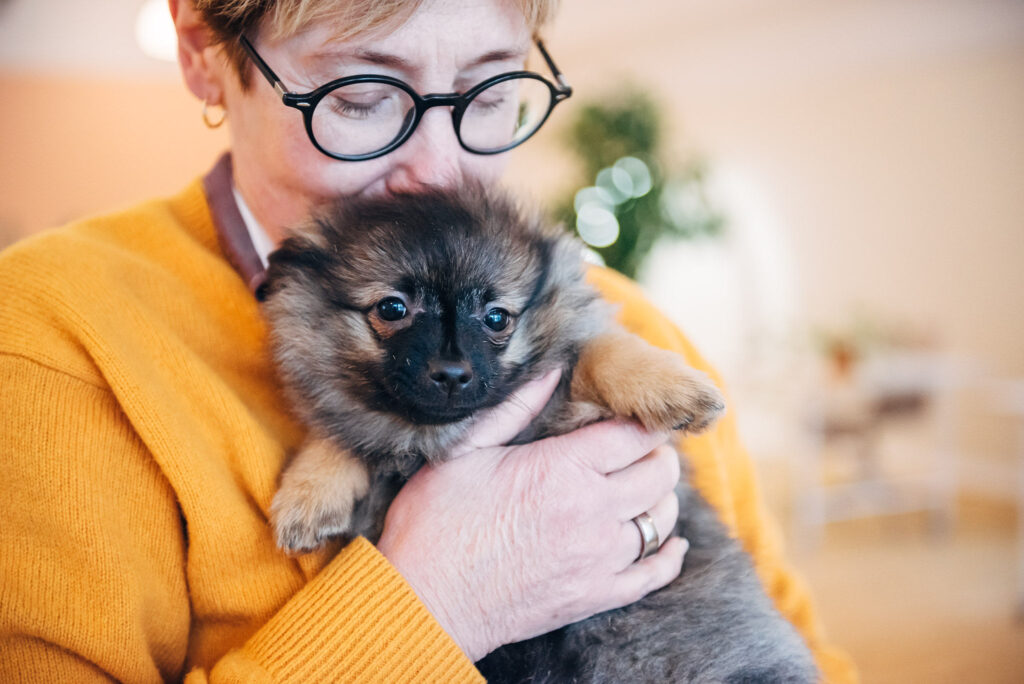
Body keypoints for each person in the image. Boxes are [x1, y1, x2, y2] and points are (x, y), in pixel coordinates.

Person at [0, 0, 856, 681]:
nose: (440, 169)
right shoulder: (47, 335)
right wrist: (435, 605)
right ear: (200, 52)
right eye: (362, 97)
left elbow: (791, 637)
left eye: (488, 93)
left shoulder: (632, 328)